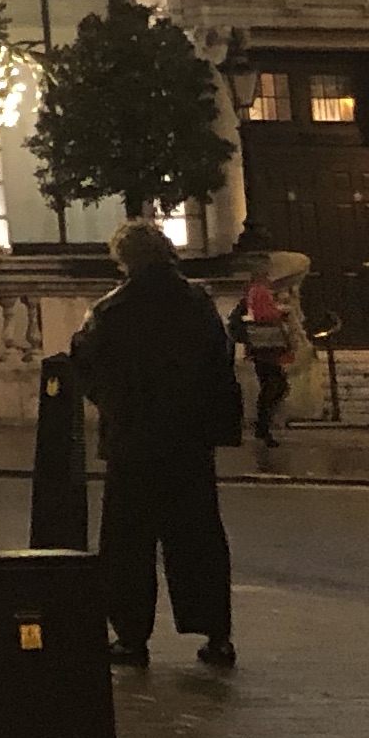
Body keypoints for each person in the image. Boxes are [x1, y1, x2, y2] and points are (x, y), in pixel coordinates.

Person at [69, 221, 244, 671]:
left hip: (135, 441)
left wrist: (115, 406)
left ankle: (131, 637)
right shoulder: (198, 303)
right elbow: (220, 362)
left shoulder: (111, 310)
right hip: (187, 440)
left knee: (129, 542)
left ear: (125, 259)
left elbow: (85, 364)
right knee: (199, 537)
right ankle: (216, 634)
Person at [234, 245, 311, 452]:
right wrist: (280, 313)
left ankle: (263, 427)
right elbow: (264, 314)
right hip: (265, 346)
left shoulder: (256, 290)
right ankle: (262, 427)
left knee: (273, 385)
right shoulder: (258, 291)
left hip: (263, 347)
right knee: (275, 385)